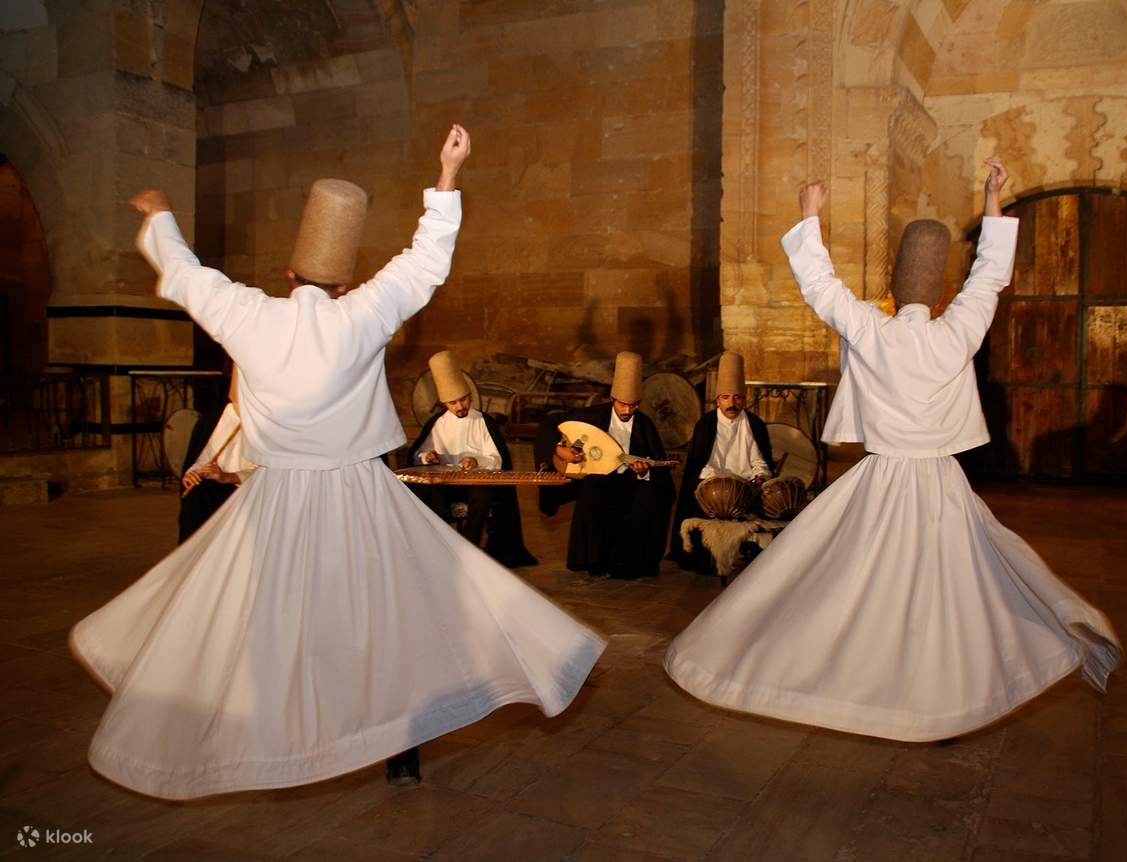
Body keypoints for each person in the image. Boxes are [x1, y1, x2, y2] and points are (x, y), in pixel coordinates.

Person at [69, 125, 605, 799]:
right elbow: (422, 263)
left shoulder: (247, 314)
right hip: (360, 496)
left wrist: (159, 215)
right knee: (391, 620)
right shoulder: (362, 315)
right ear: (346, 277)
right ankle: (399, 751)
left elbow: (185, 275)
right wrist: (448, 173)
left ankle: (266, 737)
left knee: (256, 623)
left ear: (289, 273)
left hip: (277, 504)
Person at [664, 158, 1121, 742]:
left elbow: (822, 290)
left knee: (844, 579)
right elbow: (989, 278)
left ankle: (849, 677)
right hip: (940, 483)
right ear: (936, 290)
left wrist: (810, 216)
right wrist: (990, 198)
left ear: (897, 285)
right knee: (949, 585)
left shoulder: (872, 330)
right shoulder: (957, 330)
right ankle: (941, 697)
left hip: (880, 480)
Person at [534, 351, 676, 579]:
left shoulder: (645, 425)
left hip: (633, 481)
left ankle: (632, 564)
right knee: (592, 489)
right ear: (612, 399)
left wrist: (644, 473)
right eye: (623, 405)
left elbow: (658, 467)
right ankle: (595, 561)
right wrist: (559, 449)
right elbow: (549, 422)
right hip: (601, 477)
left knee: (651, 496)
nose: (628, 411)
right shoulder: (594, 415)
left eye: (633, 405)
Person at [405, 350, 537, 567]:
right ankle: (436, 547)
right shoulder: (437, 424)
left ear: (470, 396)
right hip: (445, 485)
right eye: (453, 403)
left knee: (482, 494)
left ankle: (468, 549)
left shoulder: (484, 422)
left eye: (463, 400)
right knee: (422, 492)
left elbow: (497, 460)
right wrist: (426, 456)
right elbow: (417, 456)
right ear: (444, 404)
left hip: (475, 483)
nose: (460, 407)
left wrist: (476, 462)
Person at [668, 351, 774, 570]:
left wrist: (758, 476)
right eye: (725, 397)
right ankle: (704, 558)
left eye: (737, 397)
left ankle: (750, 554)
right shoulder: (706, 424)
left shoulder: (754, 424)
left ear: (744, 399)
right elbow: (701, 464)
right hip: (712, 488)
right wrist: (720, 483)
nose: (731, 403)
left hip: (747, 488)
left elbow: (760, 461)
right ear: (717, 399)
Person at [177, 372, 254, 543]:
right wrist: (193, 473)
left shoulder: (268, 426)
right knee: (196, 497)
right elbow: (199, 457)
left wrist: (227, 477)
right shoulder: (212, 418)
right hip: (213, 486)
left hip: (244, 490)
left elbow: (265, 474)